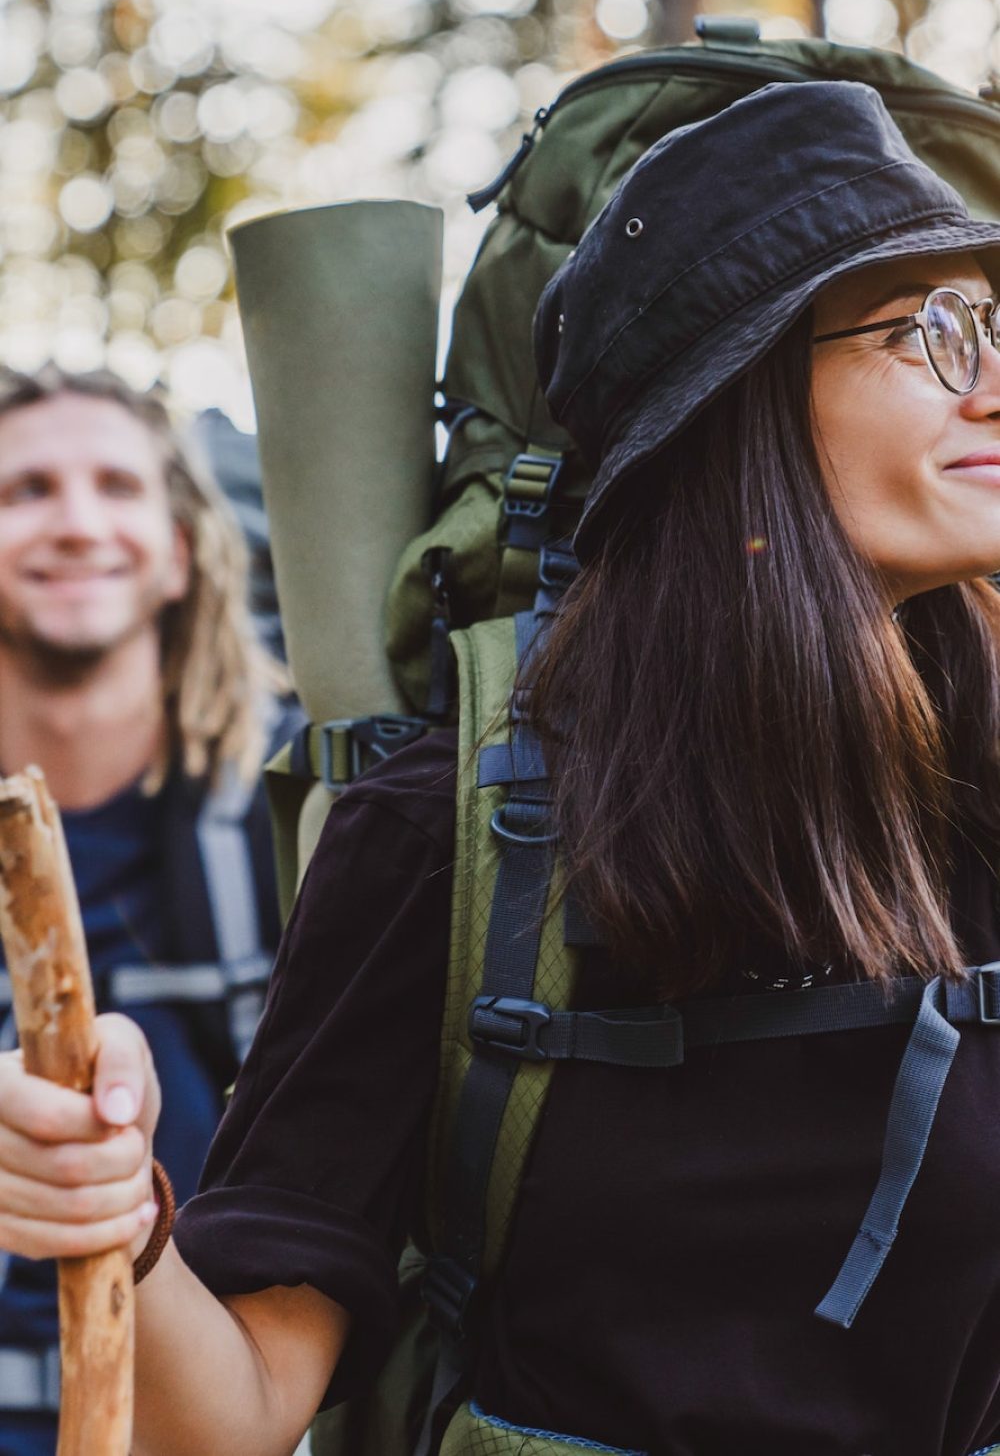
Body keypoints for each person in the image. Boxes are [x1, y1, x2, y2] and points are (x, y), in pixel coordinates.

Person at [0, 77, 998, 1456]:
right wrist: (119, 1218)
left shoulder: (982, 799)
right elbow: (223, 1421)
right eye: (931, 331)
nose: (991, 378)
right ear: (738, 400)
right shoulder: (459, 830)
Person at [0, 366, 296, 1456]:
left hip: (216, 1417)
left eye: (116, 487)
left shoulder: (306, 811)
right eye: (25, 491)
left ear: (178, 552)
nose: (77, 524)